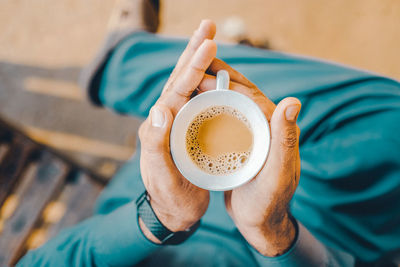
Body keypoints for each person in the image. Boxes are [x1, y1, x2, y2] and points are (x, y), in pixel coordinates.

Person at [17, 0, 400, 266]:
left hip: (163, 200)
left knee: (196, 94)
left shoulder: (161, 208)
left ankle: (126, 62)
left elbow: (62, 260)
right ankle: (124, 62)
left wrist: (161, 216)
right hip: (311, 229)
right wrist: (273, 233)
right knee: (391, 120)